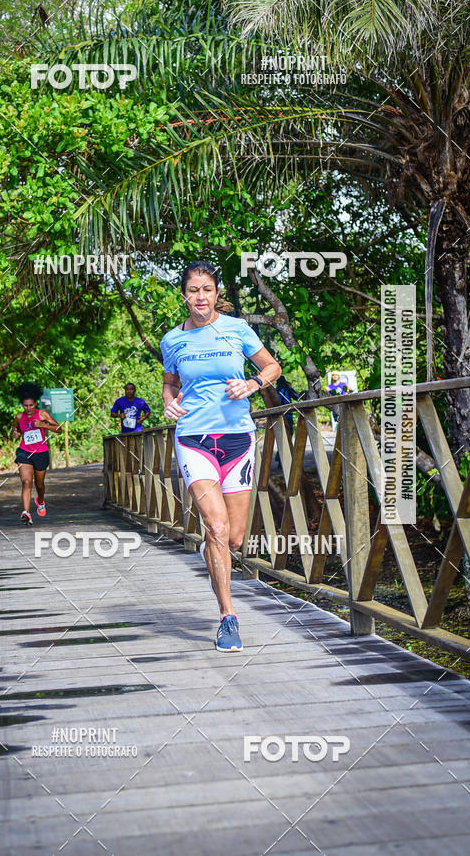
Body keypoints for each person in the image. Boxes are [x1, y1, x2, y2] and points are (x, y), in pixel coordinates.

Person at [160, 260, 281, 652]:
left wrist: (252, 383)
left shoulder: (237, 329)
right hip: (193, 437)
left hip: (238, 438)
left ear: (216, 293)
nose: (201, 297)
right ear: (184, 295)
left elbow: (272, 366)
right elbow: (169, 384)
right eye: (193, 290)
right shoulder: (172, 340)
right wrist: (167, 402)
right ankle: (228, 617)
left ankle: (211, 551)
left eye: (207, 289)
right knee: (215, 526)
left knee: (235, 537)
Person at [12, 382, 62, 525]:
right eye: (25, 406)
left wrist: (43, 425)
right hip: (25, 452)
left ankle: (40, 500)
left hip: (40, 453)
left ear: (35, 404)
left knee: (39, 485)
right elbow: (15, 429)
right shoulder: (19, 416)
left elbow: (58, 429)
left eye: (31, 405)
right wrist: (15, 433)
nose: (28, 408)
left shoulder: (42, 414)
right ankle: (26, 513)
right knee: (26, 482)